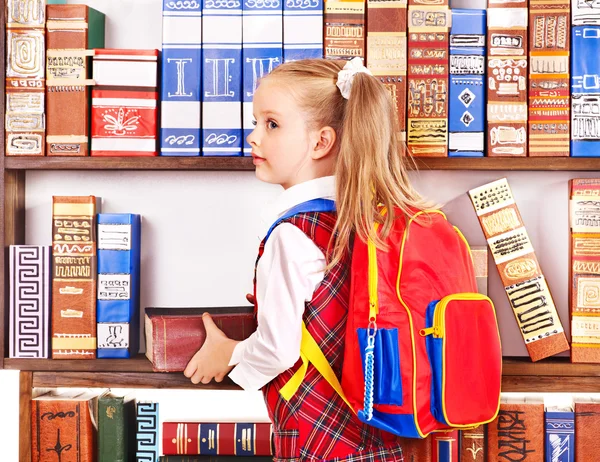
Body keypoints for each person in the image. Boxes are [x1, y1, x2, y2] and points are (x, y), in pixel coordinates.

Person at [184, 57, 430, 461]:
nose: (253, 137)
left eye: (271, 124)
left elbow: (279, 350)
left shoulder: (291, 235)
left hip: (319, 444)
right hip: (381, 441)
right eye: (256, 121)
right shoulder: (370, 219)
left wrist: (227, 354)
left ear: (321, 142)